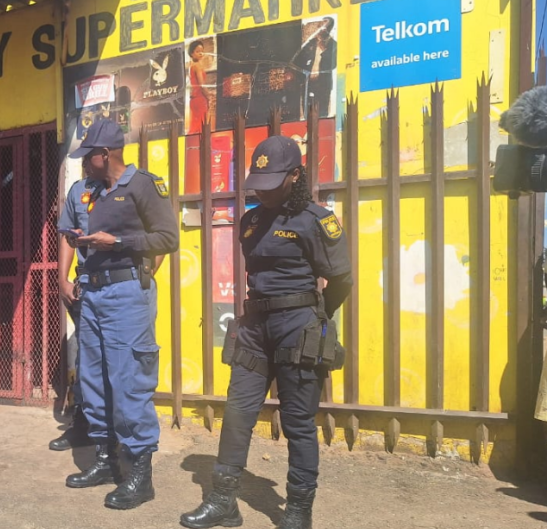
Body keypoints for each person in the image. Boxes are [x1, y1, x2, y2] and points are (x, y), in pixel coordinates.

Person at [180, 136, 352, 529]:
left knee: (297, 422)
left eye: (273, 180)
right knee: (238, 414)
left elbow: (342, 279)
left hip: (298, 328)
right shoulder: (250, 221)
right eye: (259, 180)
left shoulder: (317, 220)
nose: (263, 188)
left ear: (295, 175)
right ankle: (224, 501)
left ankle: (297, 511)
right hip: (254, 328)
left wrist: (317, 318)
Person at [62, 119, 179, 510]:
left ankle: (140, 476)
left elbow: (168, 238)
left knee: (129, 380)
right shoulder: (90, 192)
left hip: (127, 292)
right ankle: (105, 461)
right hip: (92, 292)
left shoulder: (142, 184)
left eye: (88, 156)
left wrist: (120, 243)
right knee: (94, 381)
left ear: (104, 154)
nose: (84, 164)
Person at [53, 174, 167, 452]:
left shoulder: (138, 187)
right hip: (87, 287)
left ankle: (128, 443)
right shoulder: (79, 190)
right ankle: (88, 428)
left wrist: (146, 274)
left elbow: (161, 237)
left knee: (126, 366)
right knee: (88, 365)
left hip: (123, 289)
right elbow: (69, 237)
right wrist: (63, 279)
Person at [188, 40, 211, 135]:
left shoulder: (191, 66)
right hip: (200, 99)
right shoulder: (197, 66)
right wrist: (209, 96)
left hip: (194, 99)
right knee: (201, 127)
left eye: (202, 51)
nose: (200, 53)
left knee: (195, 125)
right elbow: (202, 85)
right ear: (192, 53)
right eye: (197, 51)